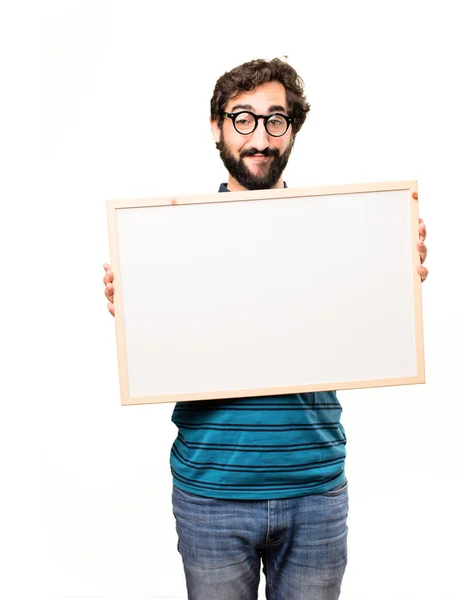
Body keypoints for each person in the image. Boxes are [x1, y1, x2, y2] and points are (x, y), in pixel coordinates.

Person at [103, 58, 429, 600]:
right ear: (217, 127)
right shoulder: (170, 244)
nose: (260, 137)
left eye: (276, 120)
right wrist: (135, 313)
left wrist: (396, 275)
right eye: (244, 119)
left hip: (314, 490)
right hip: (212, 491)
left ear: (293, 129)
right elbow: (162, 348)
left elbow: (372, 321)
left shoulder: (339, 234)